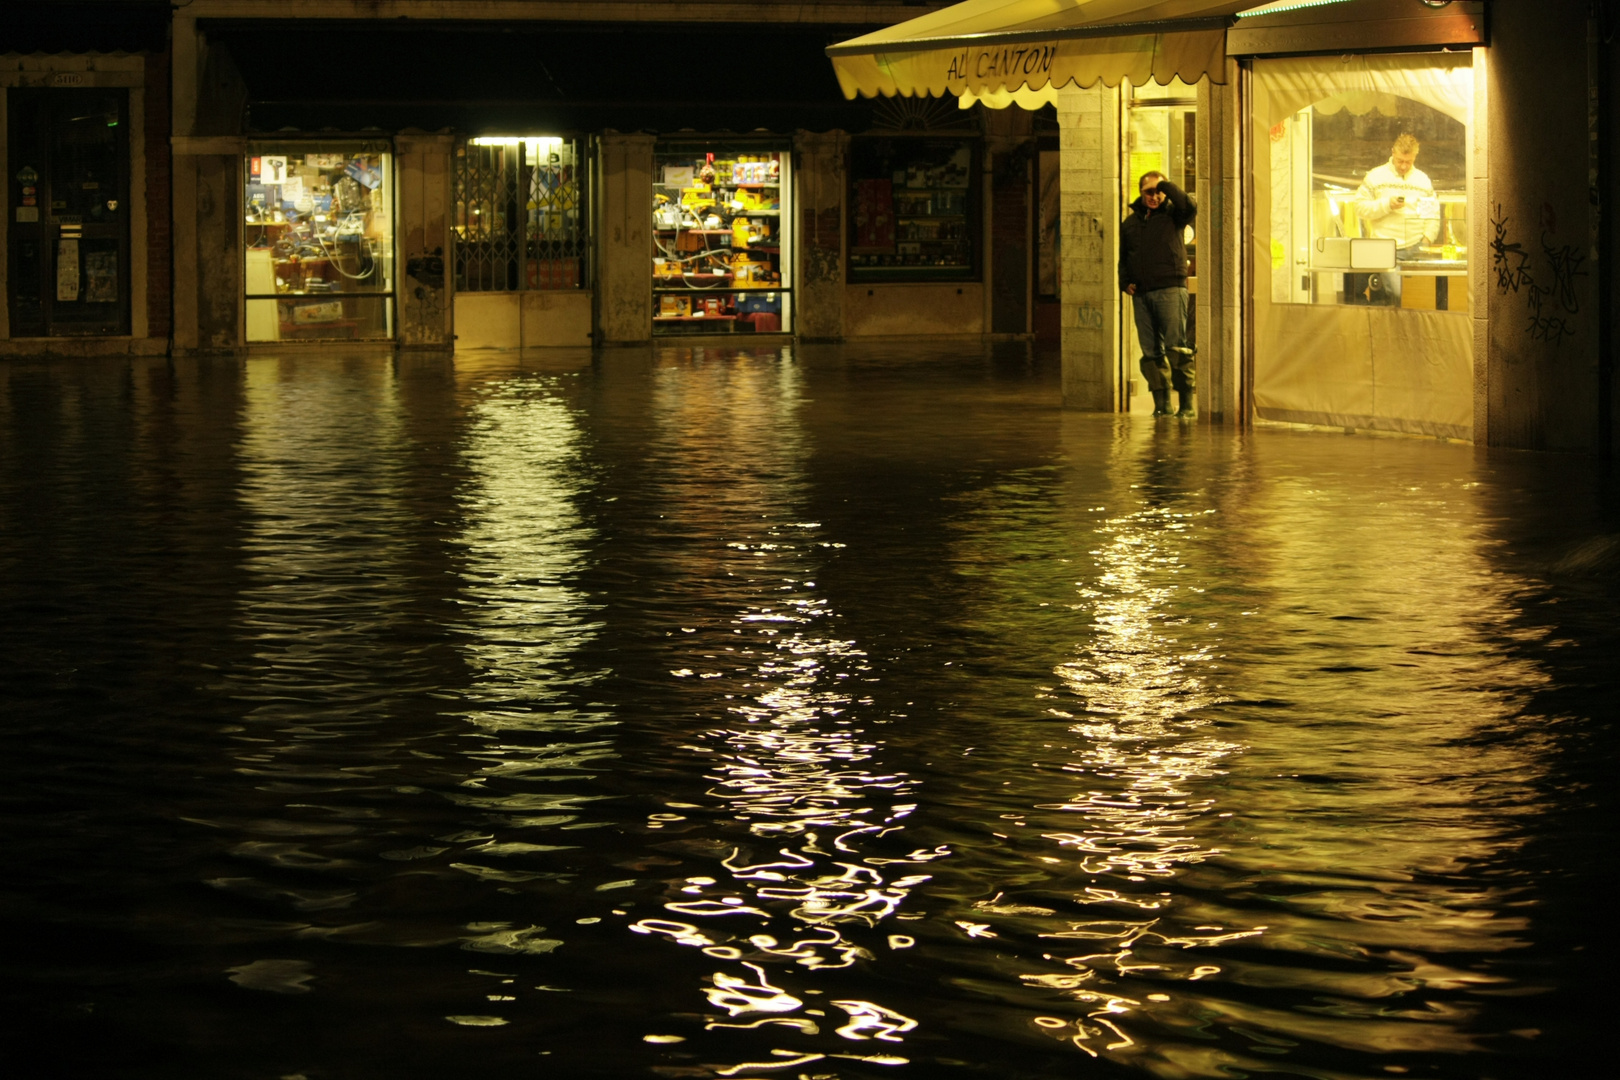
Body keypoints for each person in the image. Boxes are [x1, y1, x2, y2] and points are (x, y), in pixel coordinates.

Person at [1119, 170, 1198, 418]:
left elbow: (1190, 205)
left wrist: (1165, 184)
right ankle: (1162, 404)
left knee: (1177, 348)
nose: (1154, 196)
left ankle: (1185, 405)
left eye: (1158, 191)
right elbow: (1124, 258)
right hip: (1142, 295)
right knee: (1151, 353)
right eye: (1149, 191)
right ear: (1141, 193)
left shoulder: (1174, 215)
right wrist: (1124, 282)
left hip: (1171, 289)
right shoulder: (1130, 224)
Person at [1353, 133, 1439, 306]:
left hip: (1416, 248)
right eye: (1400, 160)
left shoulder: (1423, 180)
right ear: (1392, 152)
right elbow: (1360, 208)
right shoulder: (1375, 177)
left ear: (1415, 156)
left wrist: (1427, 239)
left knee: (1417, 300)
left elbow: (1432, 215)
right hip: (1385, 248)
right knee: (1398, 295)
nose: (1404, 166)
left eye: (1409, 161)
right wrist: (1387, 205)